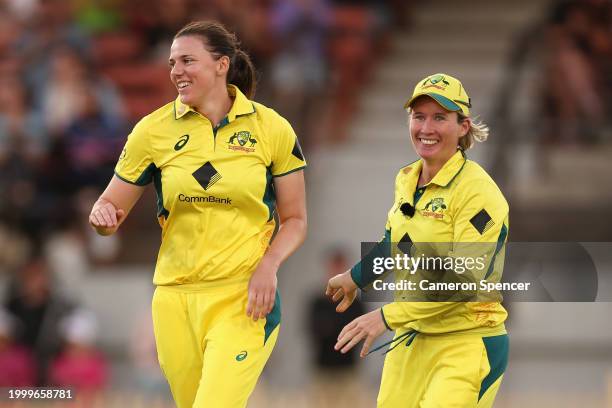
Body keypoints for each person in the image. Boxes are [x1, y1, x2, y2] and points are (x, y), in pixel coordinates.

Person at [88, 20, 307, 408]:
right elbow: (110, 209)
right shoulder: (151, 131)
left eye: (188, 60)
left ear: (222, 64)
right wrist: (102, 219)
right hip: (174, 300)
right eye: (173, 63)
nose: (176, 72)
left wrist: (269, 266)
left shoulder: (271, 128)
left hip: (243, 297)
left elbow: (295, 220)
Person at [326, 73, 509, 407]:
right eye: (419, 116)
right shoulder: (407, 179)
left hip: (466, 343)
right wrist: (355, 277)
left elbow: (463, 280)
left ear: (463, 126)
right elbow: (395, 243)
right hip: (412, 339)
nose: (427, 128)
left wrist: (385, 316)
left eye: (440, 117)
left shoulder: (479, 193)